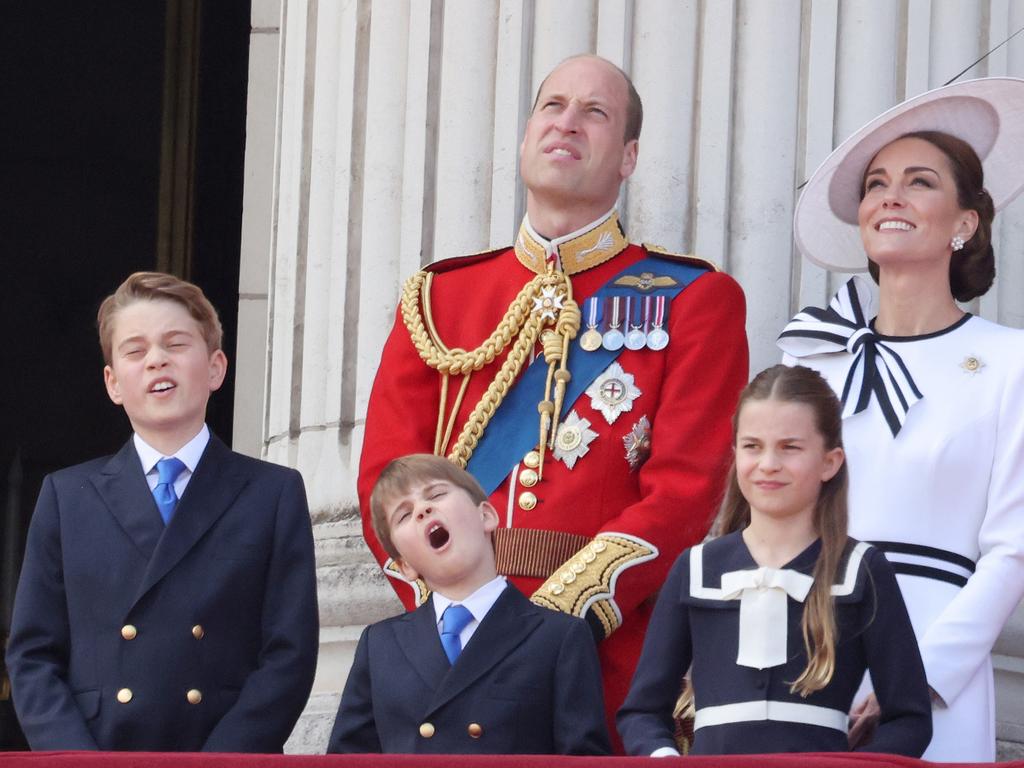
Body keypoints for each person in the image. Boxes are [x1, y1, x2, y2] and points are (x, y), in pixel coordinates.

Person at [357, 54, 748, 742]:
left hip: (601, 652)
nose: (568, 123)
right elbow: (386, 486)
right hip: (446, 653)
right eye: (553, 106)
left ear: (628, 157)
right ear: (524, 138)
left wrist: (550, 627)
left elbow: (687, 492)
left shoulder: (693, 300)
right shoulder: (438, 299)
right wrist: (455, 610)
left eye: (594, 113)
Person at [777, 77, 1024, 762]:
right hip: (805, 650)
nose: (891, 195)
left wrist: (917, 675)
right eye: (878, 183)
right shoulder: (810, 357)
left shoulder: (1011, 363)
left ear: (966, 221)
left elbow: (1014, 551)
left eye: (919, 182)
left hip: (937, 658)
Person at [6, 272, 319, 752]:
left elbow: (288, 654)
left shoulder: (271, 493)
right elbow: (33, 655)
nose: (156, 359)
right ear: (113, 382)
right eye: (134, 351)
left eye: (175, 344)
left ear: (216, 368)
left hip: (222, 759)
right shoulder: (67, 497)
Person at [617, 365, 931, 757]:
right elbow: (642, 711)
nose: (768, 464)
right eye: (752, 446)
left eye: (790, 447)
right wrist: (665, 760)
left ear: (830, 462)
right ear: (734, 456)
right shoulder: (696, 568)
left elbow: (910, 719)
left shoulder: (862, 570)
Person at [327, 454, 610, 755]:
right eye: (404, 515)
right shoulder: (380, 645)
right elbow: (348, 758)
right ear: (404, 566)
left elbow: (583, 758)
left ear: (486, 516)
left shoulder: (559, 637)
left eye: (436, 494)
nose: (423, 509)